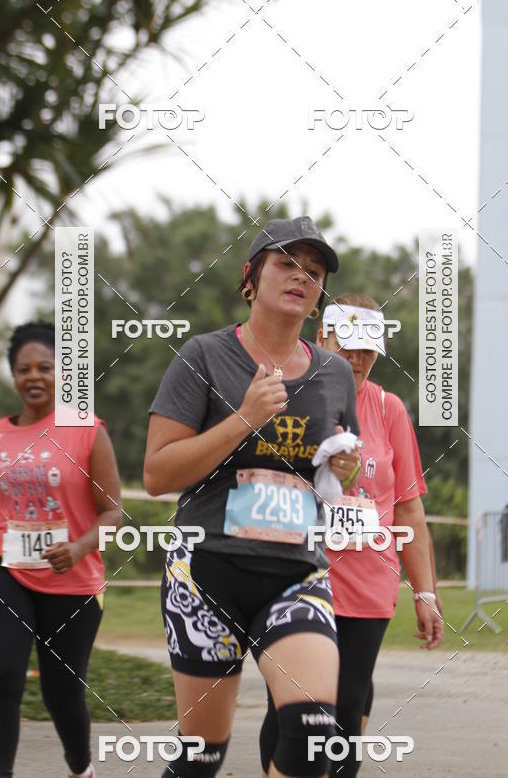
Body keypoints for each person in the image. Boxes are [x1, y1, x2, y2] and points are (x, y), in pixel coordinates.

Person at [144, 217, 362, 778]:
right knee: (202, 758)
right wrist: (244, 418)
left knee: (315, 734)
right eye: (286, 263)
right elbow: (157, 473)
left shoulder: (335, 373)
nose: (301, 277)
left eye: (313, 272)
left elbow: (341, 472)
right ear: (251, 277)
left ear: (319, 296)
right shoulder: (205, 356)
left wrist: (346, 467)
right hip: (207, 570)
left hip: (295, 571)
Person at [260, 293, 443, 778]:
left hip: (368, 585)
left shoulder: (389, 408)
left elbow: (409, 507)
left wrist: (424, 592)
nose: (358, 358)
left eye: (369, 348)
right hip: (296, 577)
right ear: (323, 337)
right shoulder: (290, 395)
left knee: (345, 711)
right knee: (291, 710)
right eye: (348, 345)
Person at [0, 321, 122, 778]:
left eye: (45, 368)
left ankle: (80, 767)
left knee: (61, 691)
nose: (34, 376)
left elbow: (114, 513)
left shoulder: (87, 430)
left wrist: (80, 545)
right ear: (12, 376)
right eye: (23, 369)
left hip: (75, 580)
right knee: (3, 678)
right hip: (6, 568)